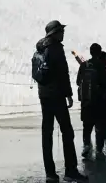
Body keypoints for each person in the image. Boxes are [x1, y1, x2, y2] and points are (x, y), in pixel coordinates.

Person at [36, 21, 88, 182]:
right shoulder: (56, 48)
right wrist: (69, 95)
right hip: (57, 96)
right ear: (55, 33)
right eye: (61, 31)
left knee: (47, 134)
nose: (63, 33)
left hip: (44, 96)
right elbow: (63, 73)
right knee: (67, 132)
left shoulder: (40, 47)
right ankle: (70, 171)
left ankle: (50, 173)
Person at [77, 43, 106, 158]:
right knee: (99, 126)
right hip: (99, 101)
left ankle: (86, 145)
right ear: (99, 52)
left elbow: (78, 82)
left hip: (86, 101)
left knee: (87, 126)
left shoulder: (84, 65)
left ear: (90, 52)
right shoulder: (101, 66)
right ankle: (99, 149)